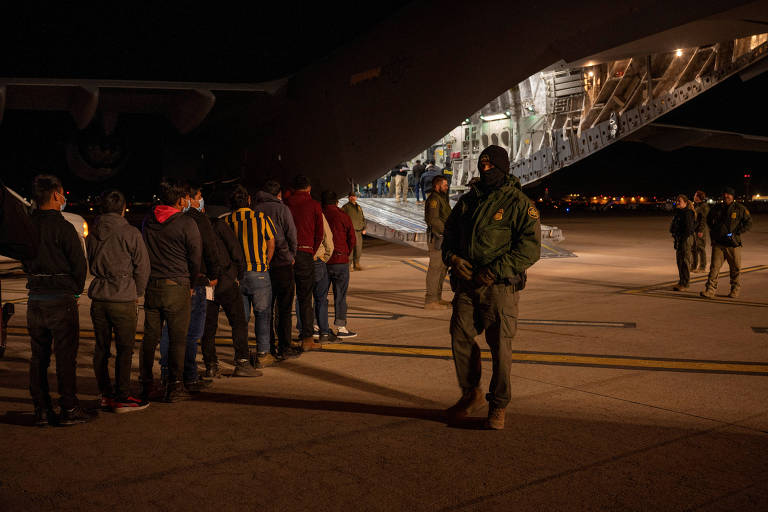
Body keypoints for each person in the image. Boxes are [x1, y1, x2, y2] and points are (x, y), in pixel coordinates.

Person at [442, 145, 540, 430]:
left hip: (499, 288)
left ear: (502, 168)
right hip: (466, 284)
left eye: (490, 166)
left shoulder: (519, 204)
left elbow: (530, 249)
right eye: (482, 165)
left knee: (500, 349)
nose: (485, 170)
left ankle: (498, 405)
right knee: (459, 336)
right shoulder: (467, 201)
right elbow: (448, 235)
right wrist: (453, 258)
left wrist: (495, 270)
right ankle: (471, 393)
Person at [22, 174, 89, 426]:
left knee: (38, 357)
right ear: (55, 195)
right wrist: (74, 291)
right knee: (64, 357)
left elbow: (23, 258)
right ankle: (69, 408)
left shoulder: (27, 227)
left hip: (35, 298)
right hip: (60, 299)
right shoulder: (64, 227)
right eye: (62, 193)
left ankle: (41, 409)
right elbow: (79, 266)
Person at [87, 189, 151, 413]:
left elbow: (90, 260)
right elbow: (143, 267)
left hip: (99, 296)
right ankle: (122, 396)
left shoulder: (93, 232)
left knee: (101, 348)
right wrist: (137, 291)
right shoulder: (130, 232)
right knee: (125, 350)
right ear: (123, 208)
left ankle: (105, 394)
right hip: (123, 296)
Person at [159, 181, 226, 389]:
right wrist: (212, 275)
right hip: (194, 281)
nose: (195, 201)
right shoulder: (195, 219)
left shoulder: (158, 219)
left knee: (169, 330)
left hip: (164, 281)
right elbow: (207, 250)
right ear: (185, 198)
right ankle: (188, 374)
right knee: (192, 331)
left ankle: (167, 373)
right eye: (195, 197)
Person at [140, 178, 202, 403]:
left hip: (152, 285)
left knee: (150, 338)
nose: (188, 200)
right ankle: (174, 385)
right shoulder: (186, 223)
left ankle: (146, 383)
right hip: (177, 285)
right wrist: (192, 284)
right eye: (185, 197)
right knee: (178, 338)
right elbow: (195, 258)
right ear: (179, 199)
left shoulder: (148, 220)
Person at [200, 214, 262, 377]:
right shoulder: (217, 225)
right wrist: (238, 275)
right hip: (225, 279)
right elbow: (236, 251)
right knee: (238, 322)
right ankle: (242, 361)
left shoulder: (191, 225)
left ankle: (211, 364)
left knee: (209, 326)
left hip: (206, 282)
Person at [225, 185, 277, 365]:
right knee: (263, 314)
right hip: (259, 271)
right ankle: (263, 353)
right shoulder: (261, 218)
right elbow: (271, 242)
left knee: (241, 319)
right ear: (248, 200)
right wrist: (266, 262)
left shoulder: (227, 221)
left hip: (237, 276)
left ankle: (242, 354)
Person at [252, 180, 297, 364]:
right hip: (282, 264)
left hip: (262, 264)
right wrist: (291, 255)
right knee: (284, 308)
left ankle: (267, 346)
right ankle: (285, 347)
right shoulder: (282, 209)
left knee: (265, 309)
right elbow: (291, 234)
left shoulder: (255, 209)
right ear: (278, 194)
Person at [284, 175, 324, 352]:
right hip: (306, 253)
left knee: (284, 299)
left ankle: (283, 339)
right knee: (305, 298)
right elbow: (319, 233)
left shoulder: (286, 204)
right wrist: (310, 250)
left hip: (285, 255)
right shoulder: (314, 205)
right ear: (308, 188)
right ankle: (307, 339)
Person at [701, 187, 752, 299]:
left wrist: (737, 232)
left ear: (733, 196)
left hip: (733, 244)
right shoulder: (716, 208)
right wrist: (714, 232)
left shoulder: (739, 208)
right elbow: (709, 220)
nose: (726, 196)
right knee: (714, 268)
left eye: (729, 194)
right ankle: (710, 290)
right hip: (718, 243)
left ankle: (735, 290)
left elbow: (748, 222)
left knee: (735, 268)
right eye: (725, 194)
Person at [321, 191, 358, 339]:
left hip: (323, 261)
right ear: (336, 202)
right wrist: (345, 254)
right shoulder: (343, 216)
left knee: (320, 295)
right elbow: (352, 238)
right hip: (340, 261)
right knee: (340, 295)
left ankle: (318, 325)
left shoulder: (320, 214)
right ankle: (341, 327)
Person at [424, 175, 452, 309]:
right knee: (435, 269)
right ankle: (430, 301)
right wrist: (447, 232)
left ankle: (437, 298)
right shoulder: (434, 199)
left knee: (442, 268)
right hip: (437, 238)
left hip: (443, 237)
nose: (447, 187)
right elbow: (434, 220)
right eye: (445, 185)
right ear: (437, 186)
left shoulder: (442, 198)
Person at [670, 194, 695, 292]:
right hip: (680, 239)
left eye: (679, 201)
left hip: (686, 239)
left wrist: (682, 239)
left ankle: (685, 283)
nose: (677, 203)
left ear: (685, 202)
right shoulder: (679, 212)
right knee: (679, 261)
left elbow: (688, 229)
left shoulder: (687, 213)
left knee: (685, 261)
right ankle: (681, 281)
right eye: (677, 201)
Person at [341, 191, 366, 271]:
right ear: (349, 197)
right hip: (350, 231)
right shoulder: (345, 207)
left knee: (358, 249)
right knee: (350, 249)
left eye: (354, 196)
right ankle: (348, 265)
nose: (353, 198)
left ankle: (357, 264)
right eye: (351, 196)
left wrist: (364, 228)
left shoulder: (359, 207)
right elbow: (342, 218)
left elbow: (362, 217)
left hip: (359, 231)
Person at [692, 190, 709, 273]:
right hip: (695, 229)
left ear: (698, 197)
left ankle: (702, 267)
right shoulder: (696, 205)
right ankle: (693, 266)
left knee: (701, 248)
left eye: (695, 195)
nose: (694, 196)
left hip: (700, 230)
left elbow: (703, 219)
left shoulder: (703, 206)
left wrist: (701, 230)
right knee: (694, 248)